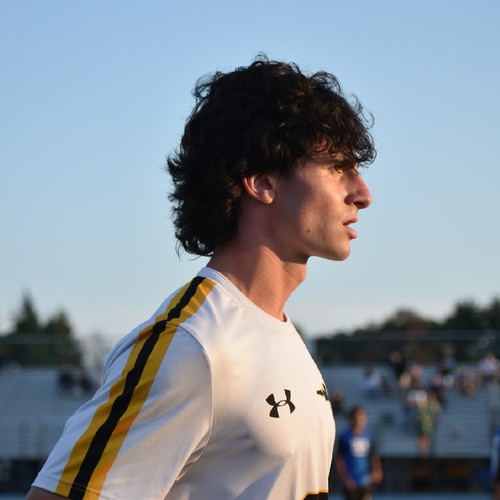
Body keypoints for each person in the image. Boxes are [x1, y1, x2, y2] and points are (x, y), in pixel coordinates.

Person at [26, 54, 375, 500]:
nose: (362, 193)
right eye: (338, 167)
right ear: (262, 181)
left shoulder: (278, 334)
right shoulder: (194, 345)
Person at [335, 406, 383, 500]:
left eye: (362, 418)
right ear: (351, 419)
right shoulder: (344, 437)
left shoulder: (369, 436)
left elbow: (373, 456)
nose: (360, 421)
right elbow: (339, 459)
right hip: (351, 482)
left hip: (365, 480)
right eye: (357, 418)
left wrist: (378, 470)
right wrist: (346, 479)